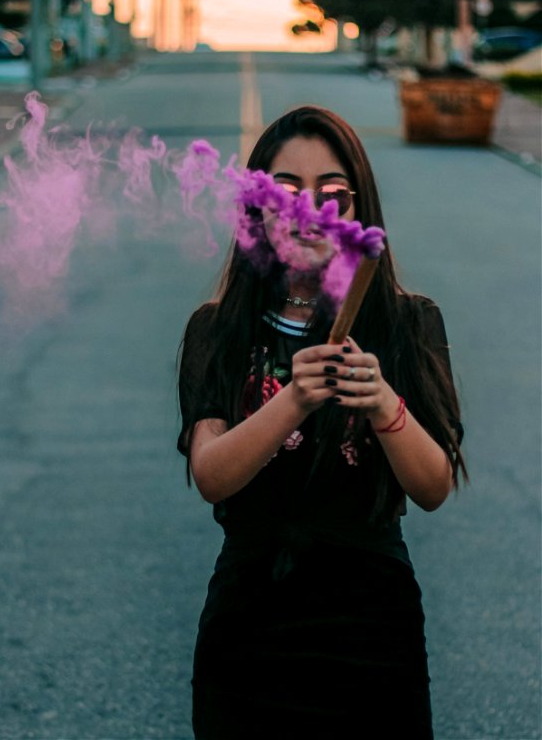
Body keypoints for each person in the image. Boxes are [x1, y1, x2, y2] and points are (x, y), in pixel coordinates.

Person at [177, 105, 467, 739]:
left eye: (333, 194)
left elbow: (434, 487)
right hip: (249, 625)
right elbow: (211, 475)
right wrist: (294, 398)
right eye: (286, 193)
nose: (310, 211)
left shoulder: (407, 323)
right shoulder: (218, 330)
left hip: (371, 626)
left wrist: (384, 403)